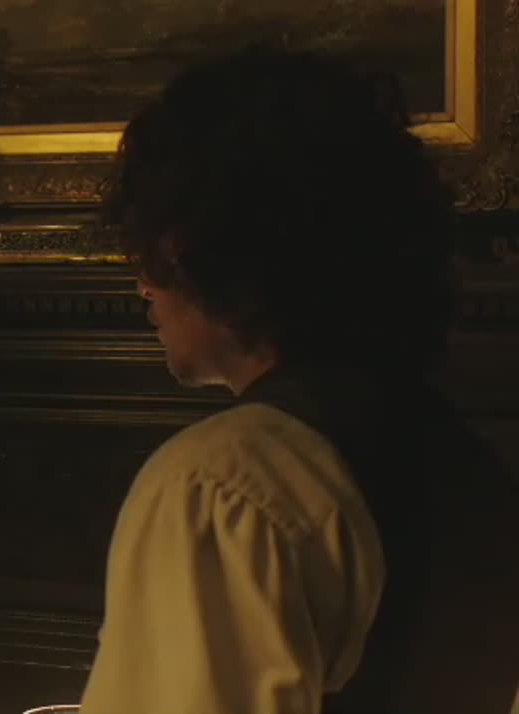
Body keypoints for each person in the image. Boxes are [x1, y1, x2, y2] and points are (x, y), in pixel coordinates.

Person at [80, 47, 519, 714]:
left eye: (149, 242)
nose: (143, 282)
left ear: (200, 246)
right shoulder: (465, 463)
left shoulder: (223, 482)